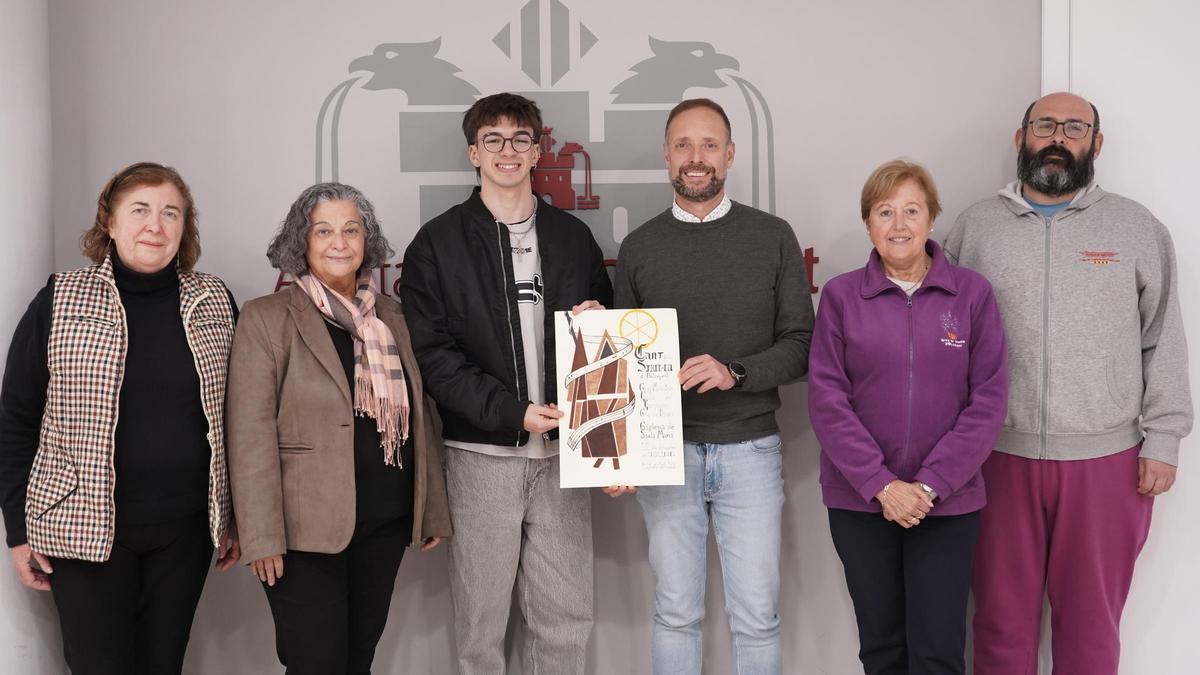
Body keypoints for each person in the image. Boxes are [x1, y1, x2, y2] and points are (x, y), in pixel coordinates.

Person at [944, 92, 1193, 675]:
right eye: (1045, 125)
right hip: (996, 457)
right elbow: (944, 337)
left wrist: (1164, 439)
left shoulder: (1135, 227)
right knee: (1000, 625)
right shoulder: (975, 227)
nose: (1059, 137)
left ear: (1096, 144)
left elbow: (1164, 338)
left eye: (1075, 127)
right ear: (1020, 137)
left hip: (1106, 461)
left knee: (1091, 628)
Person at [399, 92, 612, 675]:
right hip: (480, 457)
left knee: (566, 621)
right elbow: (433, 357)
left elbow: (609, 350)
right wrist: (512, 412)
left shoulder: (573, 239)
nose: (507, 151)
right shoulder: (437, 245)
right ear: (474, 152)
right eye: (493, 140)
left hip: (564, 459)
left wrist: (610, 454)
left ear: (538, 149)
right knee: (479, 626)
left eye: (520, 139)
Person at [0, 161, 240, 674]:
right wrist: (18, 530)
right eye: (140, 210)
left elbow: (239, 418)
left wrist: (235, 514)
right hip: (82, 531)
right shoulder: (60, 298)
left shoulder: (215, 300)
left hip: (186, 530)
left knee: (163, 665)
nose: (155, 225)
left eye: (170, 213)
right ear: (109, 222)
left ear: (184, 227)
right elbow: (16, 419)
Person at [612, 98, 813, 675]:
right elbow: (623, 359)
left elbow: (801, 343)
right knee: (676, 612)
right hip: (663, 454)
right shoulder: (641, 247)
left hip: (750, 450)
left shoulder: (773, 237)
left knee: (757, 616)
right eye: (682, 145)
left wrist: (735, 371)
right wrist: (617, 452)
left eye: (707, 145)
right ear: (666, 157)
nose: (695, 158)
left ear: (729, 154)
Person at [226, 182, 451, 675]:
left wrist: (428, 508)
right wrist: (261, 535)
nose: (339, 242)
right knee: (315, 663)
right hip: (303, 532)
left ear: (367, 240)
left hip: (384, 523)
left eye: (352, 230)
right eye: (323, 230)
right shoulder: (267, 318)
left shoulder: (391, 316)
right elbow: (249, 433)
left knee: (358, 659)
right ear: (300, 242)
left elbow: (420, 415)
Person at [807, 160, 1007, 674]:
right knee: (882, 647)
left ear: (932, 219)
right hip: (860, 502)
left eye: (912, 211)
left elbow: (988, 401)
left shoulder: (973, 295)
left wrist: (931, 486)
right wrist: (882, 485)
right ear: (868, 224)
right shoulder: (840, 297)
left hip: (949, 503)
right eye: (885, 212)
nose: (899, 225)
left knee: (938, 650)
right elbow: (828, 401)